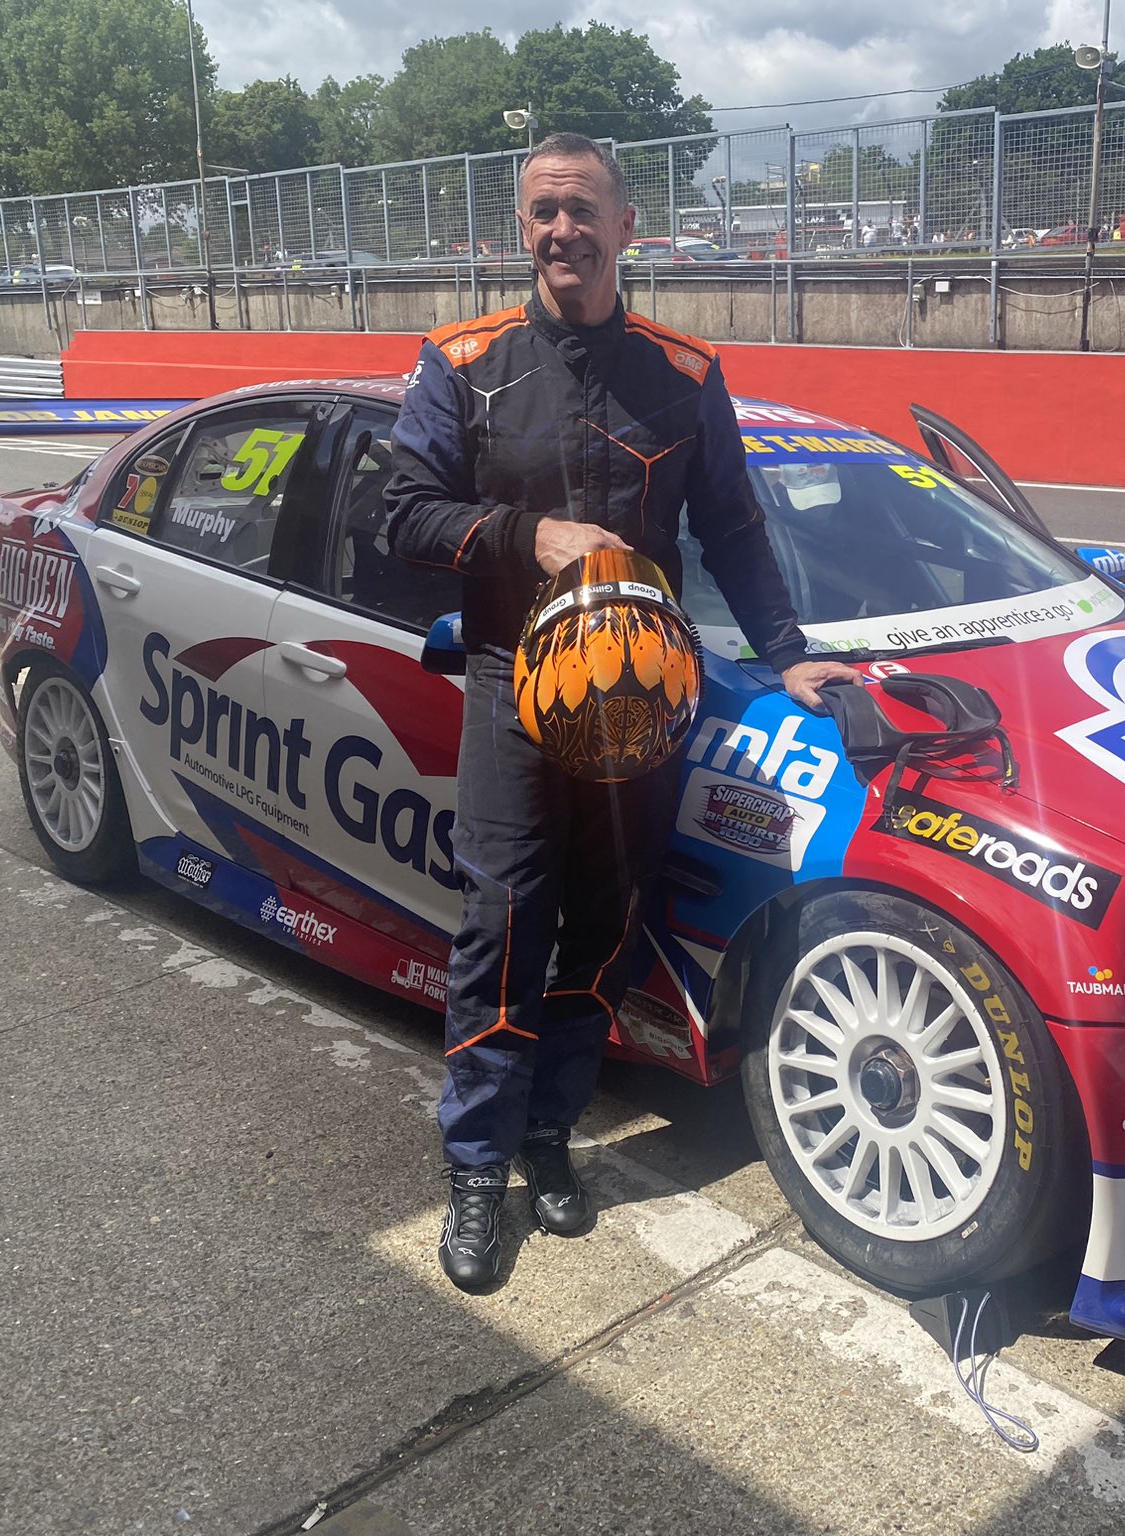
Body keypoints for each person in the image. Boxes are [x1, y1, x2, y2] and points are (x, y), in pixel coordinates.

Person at [383, 132, 857, 1293]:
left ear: (625, 226)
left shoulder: (684, 374)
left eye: (582, 210)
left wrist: (788, 655)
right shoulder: (463, 362)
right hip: (514, 682)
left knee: (604, 925)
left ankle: (551, 1132)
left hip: (644, 697)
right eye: (543, 212)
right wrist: (524, 535)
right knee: (502, 924)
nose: (563, 232)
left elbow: (732, 527)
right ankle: (477, 1168)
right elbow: (398, 514)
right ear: (521, 229)